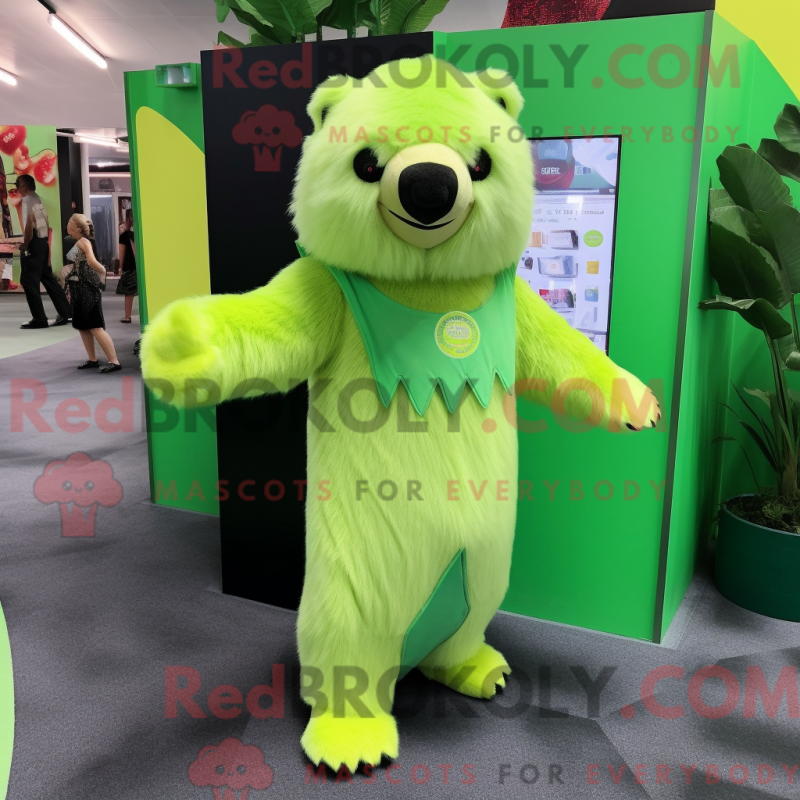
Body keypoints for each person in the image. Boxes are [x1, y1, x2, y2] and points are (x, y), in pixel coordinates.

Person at [64, 214, 121, 373]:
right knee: (83, 326)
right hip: (79, 287)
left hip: (86, 287)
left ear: (77, 227)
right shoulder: (80, 242)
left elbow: (91, 261)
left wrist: (103, 271)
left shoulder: (83, 242)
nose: (68, 224)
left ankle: (114, 361)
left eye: (70, 222)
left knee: (95, 325)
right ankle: (92, 359)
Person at [15, 174, 72, 329]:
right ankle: (66, 312)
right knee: (48, 278)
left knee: (28, 281)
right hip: (43, 243)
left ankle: (39, 319)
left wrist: (25, 245)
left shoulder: (27, 200)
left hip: (34, 244)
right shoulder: (38, 199)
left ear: (24, 186)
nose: (17, 188)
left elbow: (29, 226)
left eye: (18, 185)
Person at [117, 212, 137, 323]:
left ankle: (128, 315)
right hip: (140, 267)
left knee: (129, 292)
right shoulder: (141, 233)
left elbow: (122, 253)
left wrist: (120, 267)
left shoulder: (124, 236)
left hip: (129, 266)